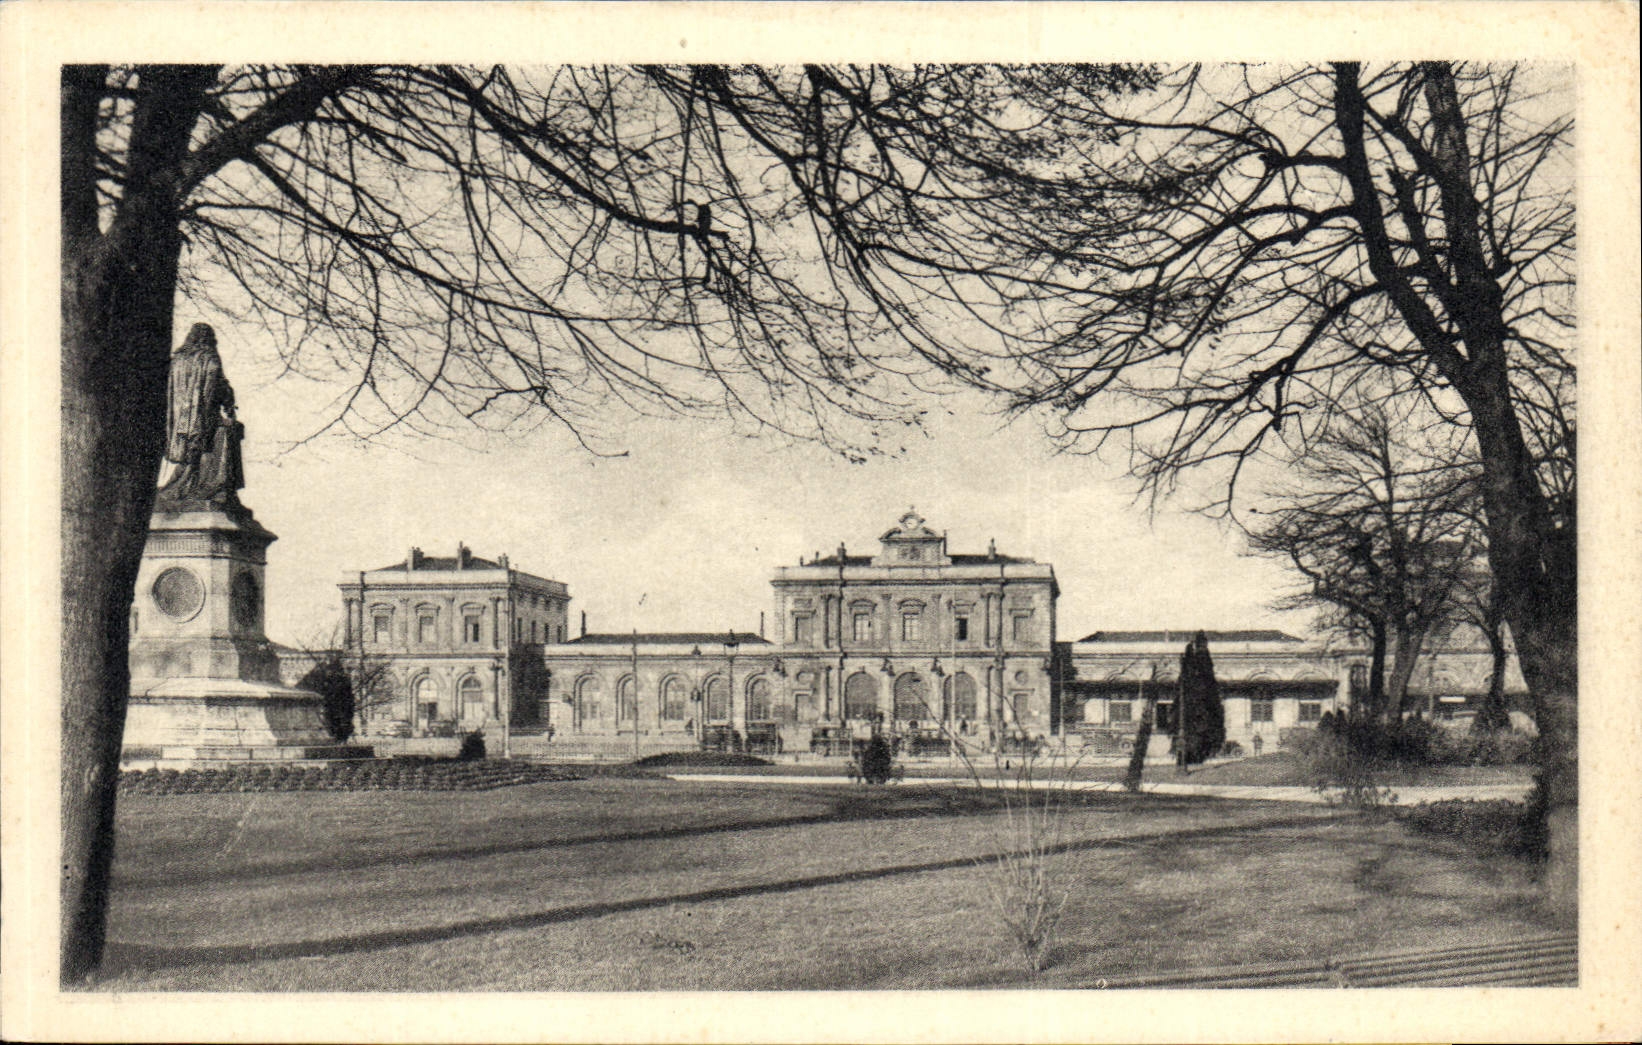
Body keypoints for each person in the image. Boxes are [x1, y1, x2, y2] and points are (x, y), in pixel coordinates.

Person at [156, 323, 243, 509]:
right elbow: (216, 386)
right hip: (202, 420)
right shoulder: (209, 358)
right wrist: (228, 400)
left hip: (180, 424)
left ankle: (189, 481)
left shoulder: (177, 360)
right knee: (229, 429)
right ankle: (214, 484)